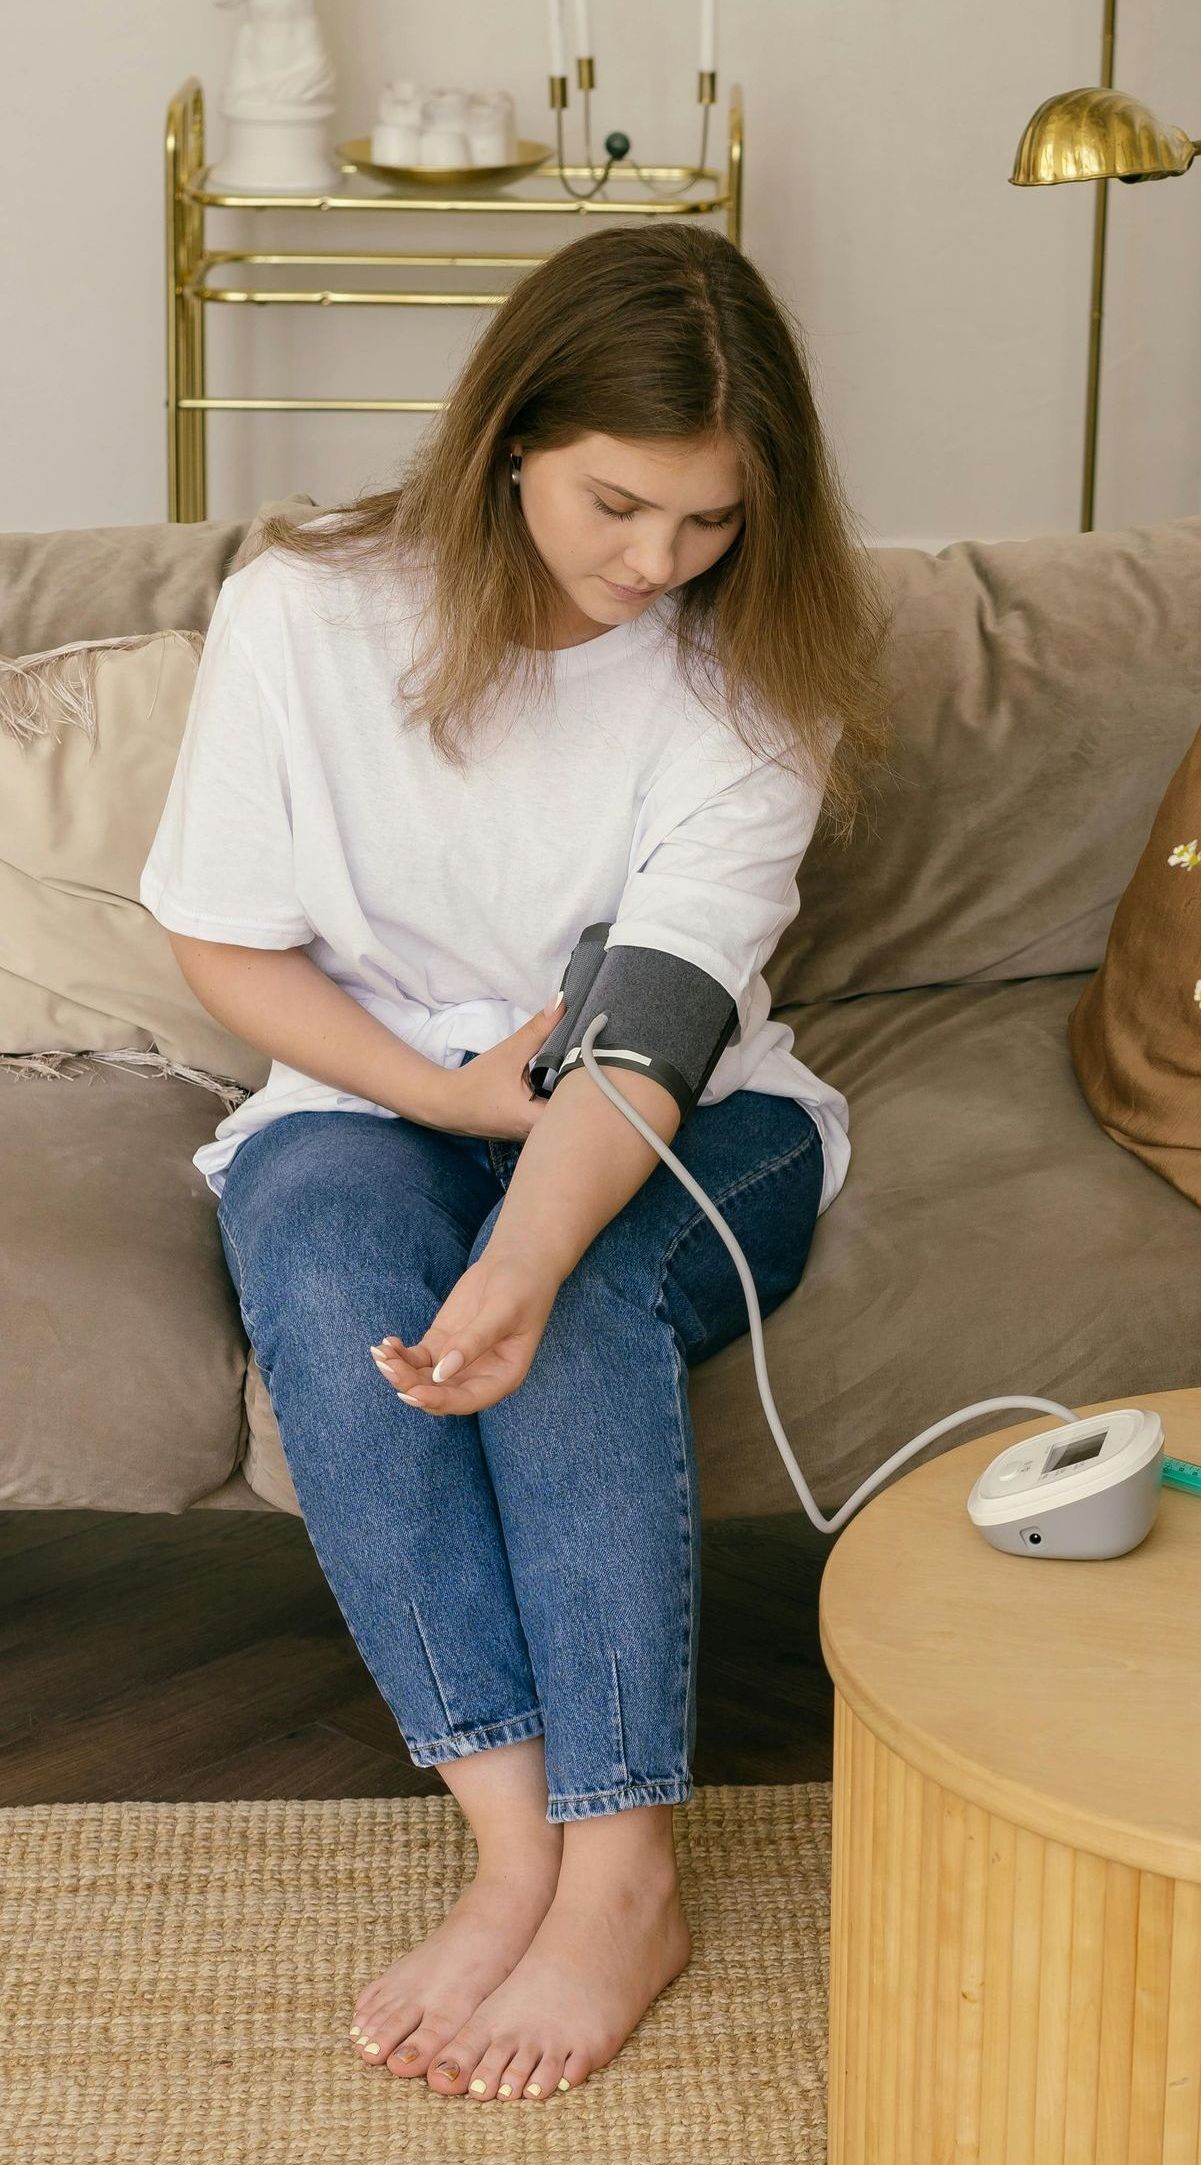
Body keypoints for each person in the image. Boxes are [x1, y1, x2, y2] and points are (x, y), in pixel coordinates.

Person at [137, 221, 891, 2105]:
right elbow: (225, 940)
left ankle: (628, 1872)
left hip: (688, 1101)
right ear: (507, 446)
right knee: (315, 1237)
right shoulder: (309, 612)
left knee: (570, 1299)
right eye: (619, 506)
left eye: (710, 521)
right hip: (396, 1085)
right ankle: (518, 1847)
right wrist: (449, 1095)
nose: (660, 566)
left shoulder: (751, 674)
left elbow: (653, 1023)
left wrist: (529, 1232)